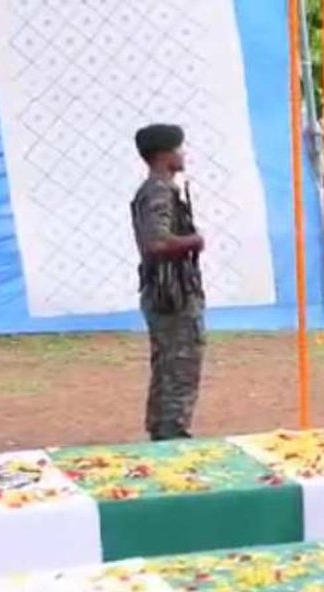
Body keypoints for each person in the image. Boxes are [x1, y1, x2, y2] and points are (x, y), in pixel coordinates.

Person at [131, 123, 206, 442]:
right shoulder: (159, 191)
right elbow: (157, 242)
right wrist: (194, 241)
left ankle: (164, 431)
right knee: (179, 366)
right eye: (178, 148)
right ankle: (171, 433)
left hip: (168, 291)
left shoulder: (158, 190)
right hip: (171, 294)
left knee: (169, 366)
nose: (182, 154)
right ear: (164, 155)